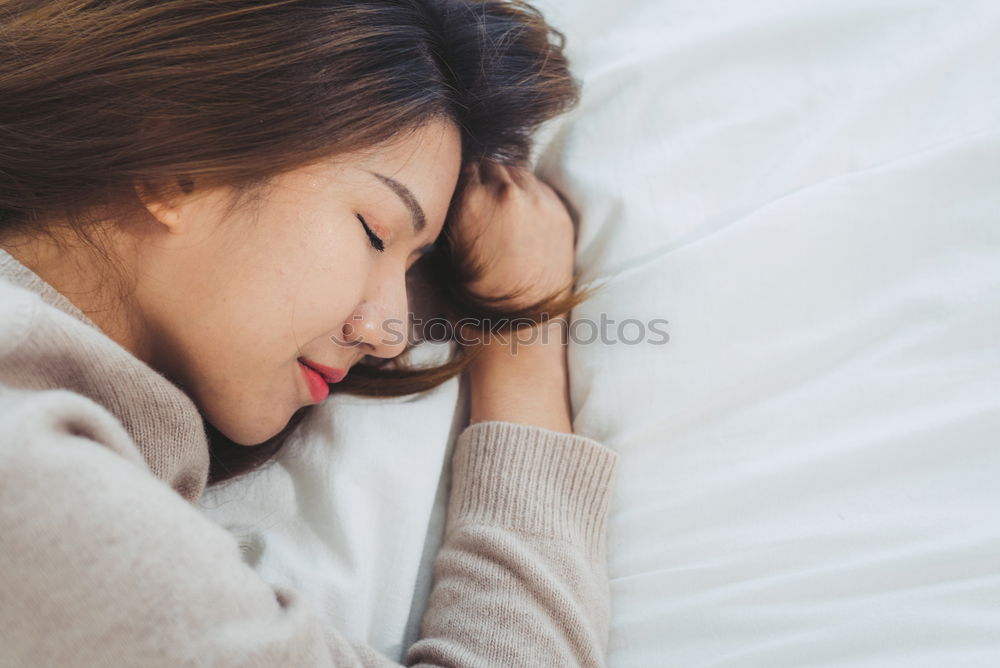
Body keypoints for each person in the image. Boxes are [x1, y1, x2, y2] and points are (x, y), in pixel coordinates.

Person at [0, 0, 619, 665]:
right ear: (176, 158)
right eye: (376, 232)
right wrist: (521, 333)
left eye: (411, 265)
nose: (389, 333)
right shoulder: (40, 481)